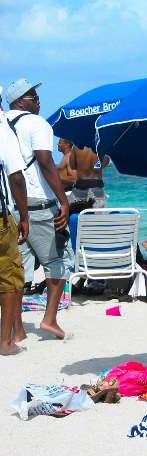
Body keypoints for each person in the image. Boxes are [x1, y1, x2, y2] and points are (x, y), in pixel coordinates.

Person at [5, 78, 71, 340]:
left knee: (19, 268)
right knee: (59, 261)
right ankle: (49, 320)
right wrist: (63, 200)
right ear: (20, 101)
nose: (39, 102)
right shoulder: (37, 124)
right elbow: (45, 161)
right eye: (34, 97)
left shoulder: (2, 124)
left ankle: (17, 329)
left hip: (12, 207)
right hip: (39, 204)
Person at [0, 87, 30, 355]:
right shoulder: (2, 129)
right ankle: (6, 341)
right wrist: (24, 215)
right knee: (9, 276)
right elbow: (16, 177)